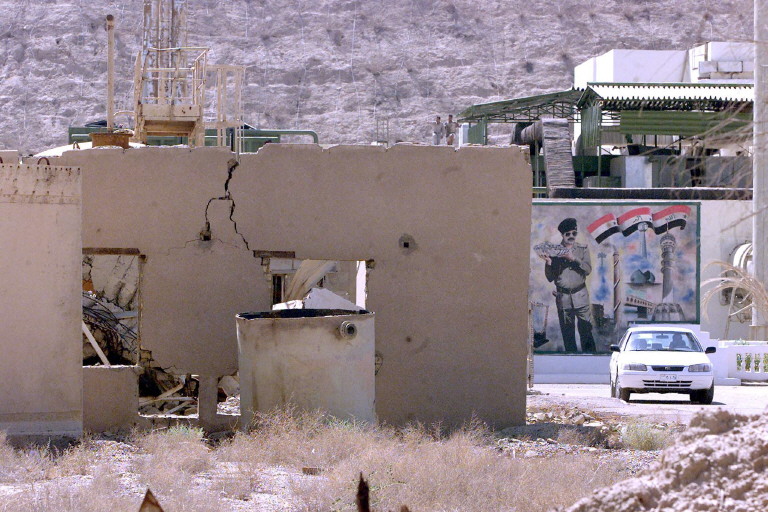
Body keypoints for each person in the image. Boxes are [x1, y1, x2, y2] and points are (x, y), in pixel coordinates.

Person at [539, 217, 596, 353]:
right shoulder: (555, 252)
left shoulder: (582, 250)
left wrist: (573, 259)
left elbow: (587, 270)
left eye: (574, 233)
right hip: (563, 298)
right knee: (567, 332)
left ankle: (590, 358)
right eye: (568, 234)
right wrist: (548, 263)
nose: (571, 236)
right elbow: (550, 278)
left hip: (580, 296)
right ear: (562, 235)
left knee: (586, 329)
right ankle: (571, 358)